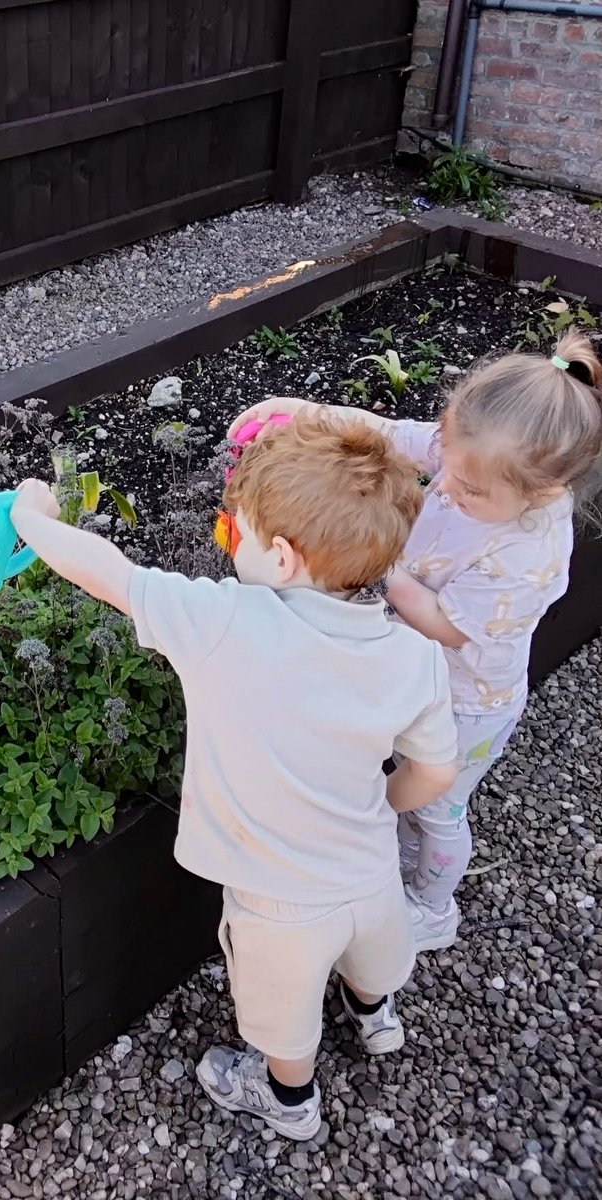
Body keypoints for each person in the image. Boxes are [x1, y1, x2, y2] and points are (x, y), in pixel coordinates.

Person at [11, 412, 458, 1141]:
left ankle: (287, 1101)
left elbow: (110, 575)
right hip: (370, 862)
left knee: (281, 1011)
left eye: (232, 533)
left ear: (280, 558)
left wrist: (32, 517)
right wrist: (381, 802)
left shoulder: (225, 620)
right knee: (373, 952)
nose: (228, 547)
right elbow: (435, 769)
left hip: (277, 894)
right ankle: (374, 1017)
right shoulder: (413, 655)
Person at [228, 329, 602, 952]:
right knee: (404, 781)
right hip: (413, 668)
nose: (446, 487)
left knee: (439, 808)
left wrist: (380, 566)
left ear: (544, 492)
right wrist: (306, 415)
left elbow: (448, 625)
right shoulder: (475, 456)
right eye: (446, 467)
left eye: (471, 491)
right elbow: (387, 433)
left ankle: (431, 907)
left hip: (466, 701)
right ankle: (395, 852)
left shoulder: (527, 552)